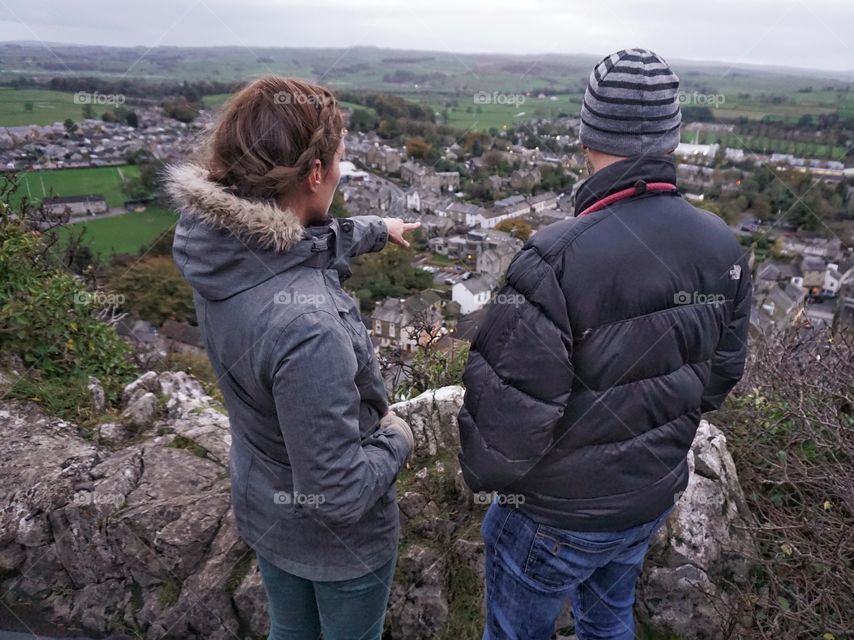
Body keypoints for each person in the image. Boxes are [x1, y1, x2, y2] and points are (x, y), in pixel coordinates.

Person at [457, 49, 752, 640]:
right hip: (648, 495)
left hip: (553, 515)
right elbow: (720, 377)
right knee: (608, 618)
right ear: (671, 137)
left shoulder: (554, 258)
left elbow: (505, 424)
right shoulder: (722, 247)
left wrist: (489, 481)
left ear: (587, 133)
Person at [166, 76, 420, 640]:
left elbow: (296, 244)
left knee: (289, 630)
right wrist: (399, 435)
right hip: (342, 549)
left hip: (265, 508)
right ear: (314, 174)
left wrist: (381, 229)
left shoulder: (216, 250)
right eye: (338, 164)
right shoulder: (307, 328)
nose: (340, 173)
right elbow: (338, 494)